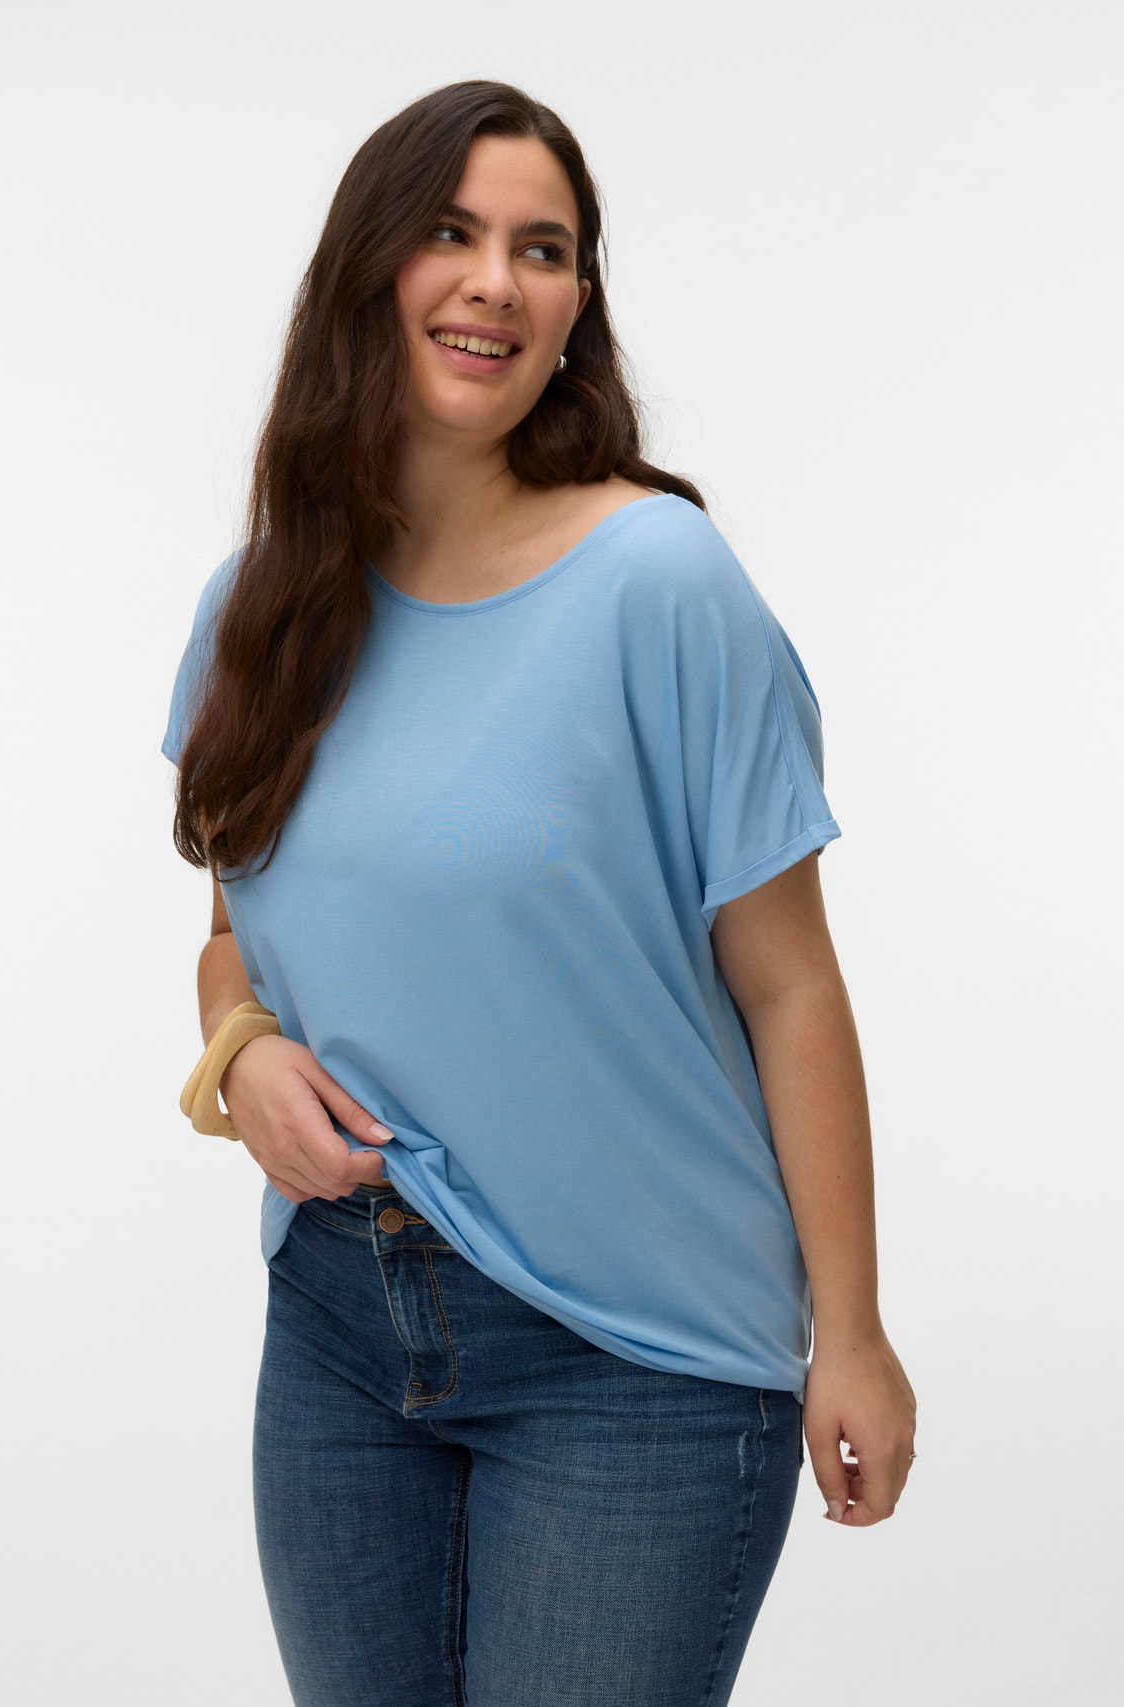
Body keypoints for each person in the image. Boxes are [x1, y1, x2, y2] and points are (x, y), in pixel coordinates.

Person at [163, 78, 917, 1707]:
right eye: (451, 233)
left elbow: (790, 984)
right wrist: (243, 1058)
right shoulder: (262, 607)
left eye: (544, 248)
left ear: (578, 308)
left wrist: (851, 1330)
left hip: (634, 1360)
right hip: (340, 1327)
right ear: (368, 269)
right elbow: (237, 936)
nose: (496, 281)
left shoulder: (662, 584)